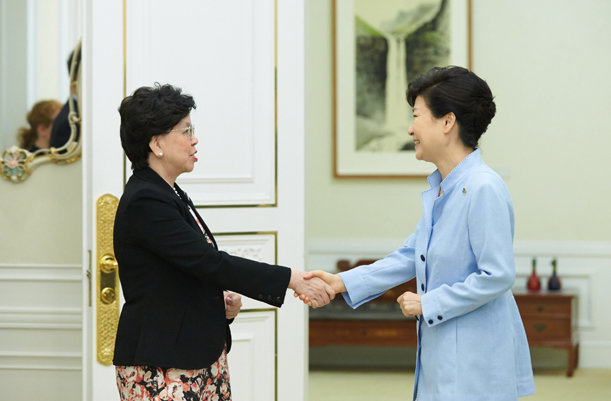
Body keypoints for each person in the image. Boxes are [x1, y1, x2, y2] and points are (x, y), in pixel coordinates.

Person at [302, 66, 536, 400]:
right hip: (445, 354)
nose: (410, 129)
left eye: (417, 116)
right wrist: (340, 283)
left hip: (476, 360)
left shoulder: (483, 187)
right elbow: (411, 255)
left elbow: (497, 275)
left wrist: (428, 302)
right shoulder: (445, 188)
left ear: (447, 122)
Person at [113, 83, 334, 401]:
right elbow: (208, 262)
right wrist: (292, 279)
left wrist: (218, 304)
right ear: (157, 143)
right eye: (186, 130)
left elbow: (189, 270)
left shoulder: (167, 191)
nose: (194, 138)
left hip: (196, 355)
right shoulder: (145, 199)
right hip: (162, 365)